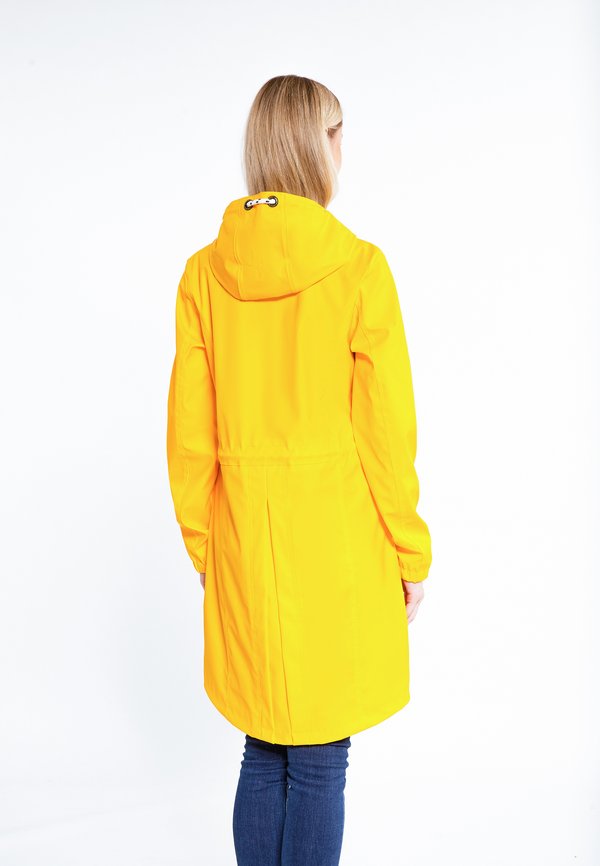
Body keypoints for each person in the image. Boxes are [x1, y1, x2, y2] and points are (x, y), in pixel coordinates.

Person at [166, 74, 432, 866]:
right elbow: (386, 432)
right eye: (339, 134)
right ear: (323, 146)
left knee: (263, 746)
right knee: (319, 761)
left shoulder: (203, 275)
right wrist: (410, 551)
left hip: (248, 545)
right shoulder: (359, 268)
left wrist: (208, 549)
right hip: (338, 552)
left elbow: (188, 438)